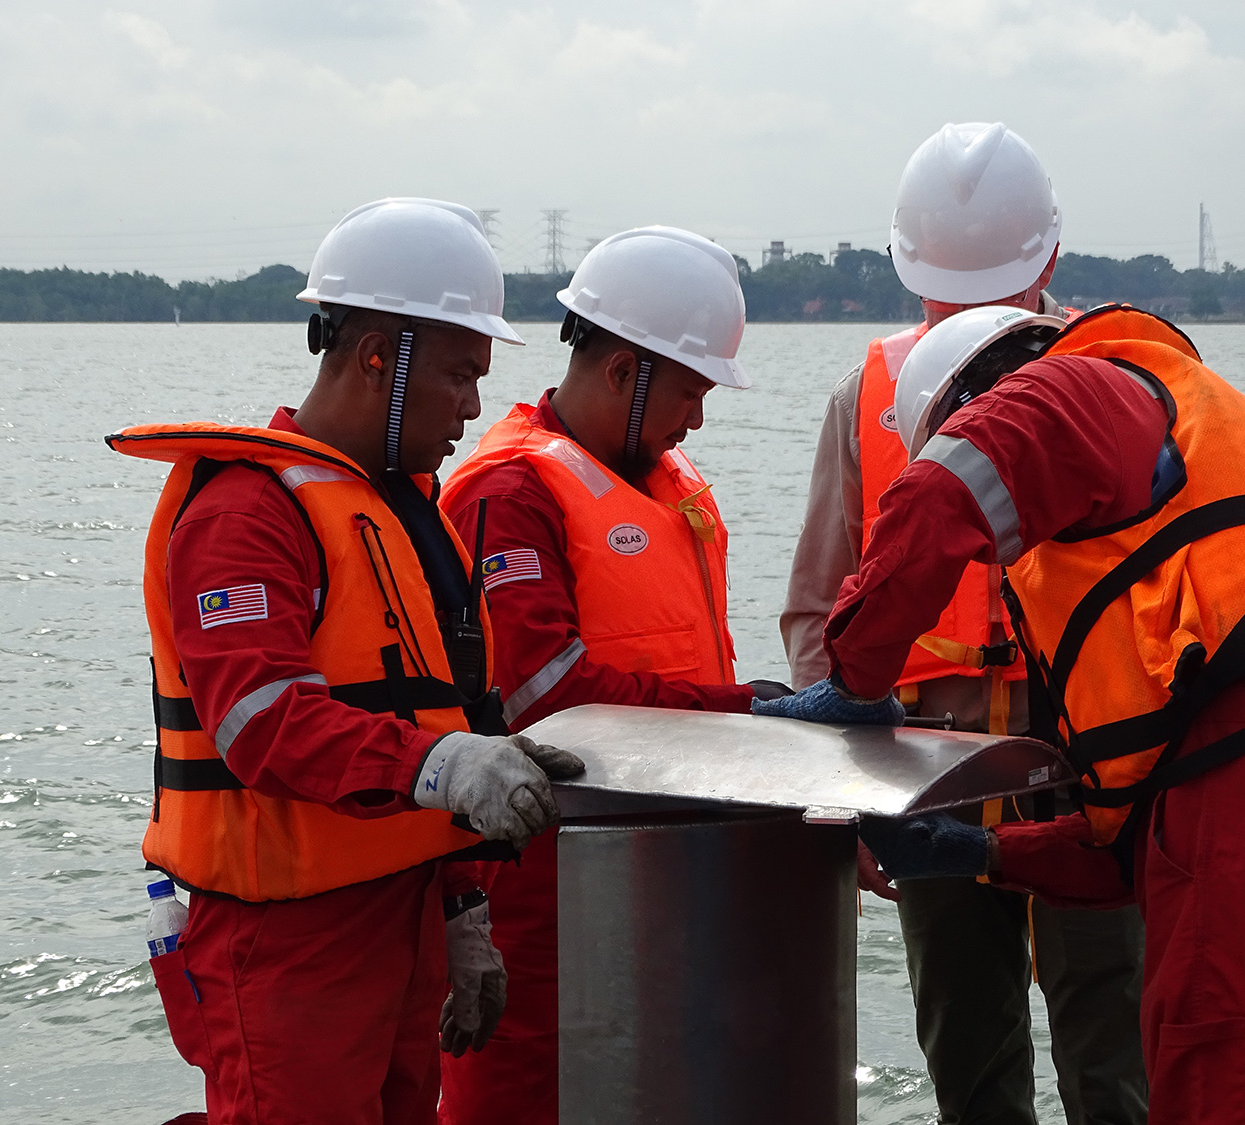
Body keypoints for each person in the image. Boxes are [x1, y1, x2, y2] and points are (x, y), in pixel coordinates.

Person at [107, 197, 585, 1124]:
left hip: (402, 920)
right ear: (376, 357)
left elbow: (440, 714)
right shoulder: (247, 512)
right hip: (284, 941)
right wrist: (447, 765)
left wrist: (463, 907)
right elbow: (262, 723)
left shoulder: (410, 513)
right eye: (458, 374)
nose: (473, 406)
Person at [758, 301, 1245, 1124]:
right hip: (1194, 814)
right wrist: (980, 851)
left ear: (976, 400)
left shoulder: (1077, 385)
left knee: (1209, 1071)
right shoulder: (1153, 521)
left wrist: (855, 679)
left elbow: (940, 491)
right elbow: (1122, 849)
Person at [778, 122, 1146, 1124]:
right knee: (993, 1058)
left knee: (1098, 1052)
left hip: (1069, 759)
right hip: (938, 766)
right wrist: (843, 794)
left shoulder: (1107, 381)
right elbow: (818, 604)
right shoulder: (871, 396)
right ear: (1052, 254)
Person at [436, 226, 786, 1125]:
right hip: (546, 884)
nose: (696, 420)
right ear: (626, 370)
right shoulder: (510, 493)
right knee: (521, 1100)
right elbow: (542, 698)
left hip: (664, 873)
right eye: (690, 391)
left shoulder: (655, 477)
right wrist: (752, 714)